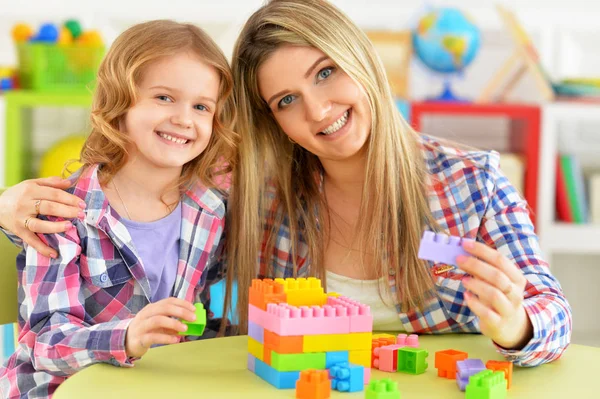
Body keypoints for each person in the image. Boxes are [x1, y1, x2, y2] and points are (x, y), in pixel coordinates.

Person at [1, 0, 571, 370]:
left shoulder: (471, 183)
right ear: (271, 120)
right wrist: (8, 207)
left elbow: (553, 313)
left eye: (326, 72)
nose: (319, 110)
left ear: (361, 60)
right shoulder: (253, 195)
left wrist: (516, 326)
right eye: (286, 101)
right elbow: (143, 187)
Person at [0, 20, 235, 398]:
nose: (184, 118)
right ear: (119, 101)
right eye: (164, 97)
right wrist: (126, 337)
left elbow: (200, 317)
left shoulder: (210, 210)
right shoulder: (64, 211)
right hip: (63, 387)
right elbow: (42, 343)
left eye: (201, 106)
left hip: (160, 384)